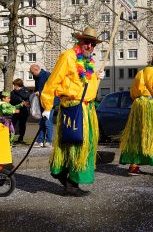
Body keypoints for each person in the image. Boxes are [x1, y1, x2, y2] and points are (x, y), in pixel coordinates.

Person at [40, 26, 105, 196]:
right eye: (87, 42)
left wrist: (97, 79)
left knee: (76, 144)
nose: (90, 46)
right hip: (72, 108)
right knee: (77, 144)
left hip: (86, 108)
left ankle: (63, 174)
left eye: (93, 44)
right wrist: (47, 106)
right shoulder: (68, 56)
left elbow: (86, 89)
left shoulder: (88, 62)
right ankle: (70, 181)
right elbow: (52, 82)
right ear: (79, 41)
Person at [30, 64, 57, 148]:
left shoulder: (46, 75)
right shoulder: (37, 77)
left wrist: (40, 92)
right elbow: (37, 88)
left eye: (32, 72)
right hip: (43, 101)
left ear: (36, 69)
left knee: (47, 122)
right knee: (42, 122)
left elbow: (52, 88)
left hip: (49, 102)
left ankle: (49, 141)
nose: (32, 74)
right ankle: (40, 140)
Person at [10, 78, 30, 144]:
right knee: (12, 124)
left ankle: (21, 138)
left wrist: (18, 91)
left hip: (23, 111)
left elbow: (26, 96)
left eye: (15, 85)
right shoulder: (13, 92)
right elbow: (11, 100)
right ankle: (11, 138)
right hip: (15, 110)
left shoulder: (25, 90)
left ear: (18, 85)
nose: (14, 87)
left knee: (22, 125)